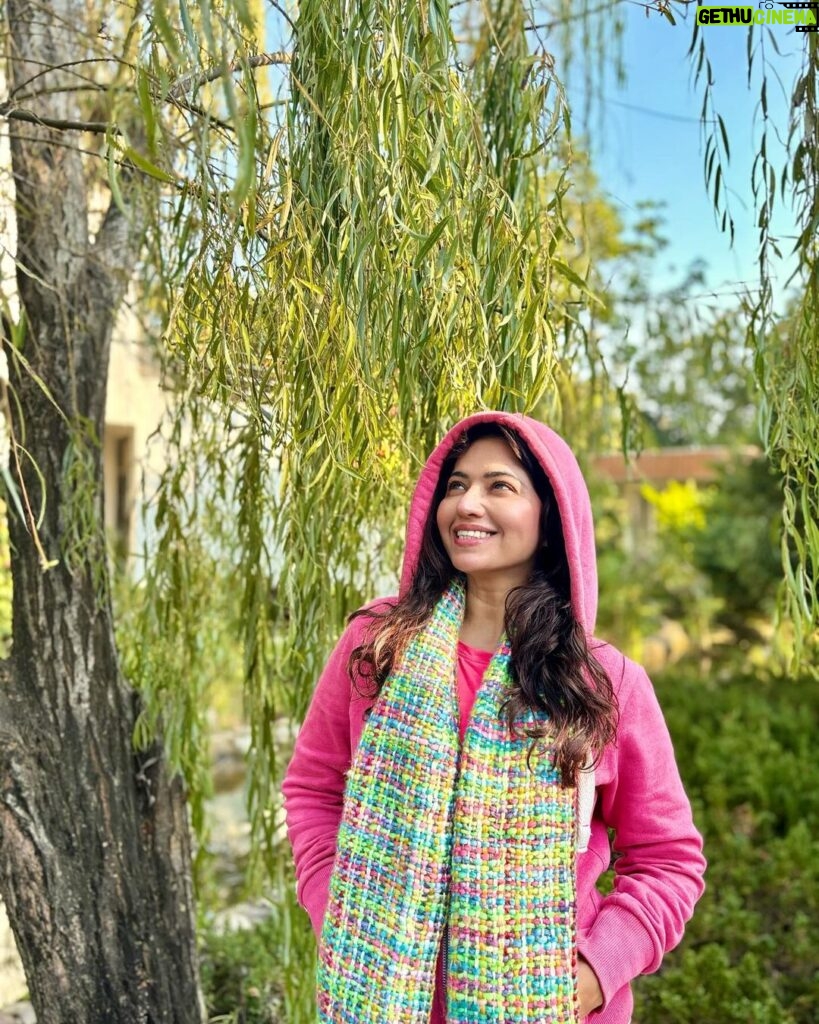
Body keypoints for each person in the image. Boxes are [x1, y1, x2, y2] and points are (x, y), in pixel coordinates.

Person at [282, 411, 706, 1024]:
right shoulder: (376, 646)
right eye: (455, 485)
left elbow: (668, 859)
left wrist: (594, 973)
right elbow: (315, 790)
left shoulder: (603, 682)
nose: (467, 504)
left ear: (550, 513)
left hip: (551, 1007)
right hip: (375, 992)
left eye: (498, 486)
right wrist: (337, 908)